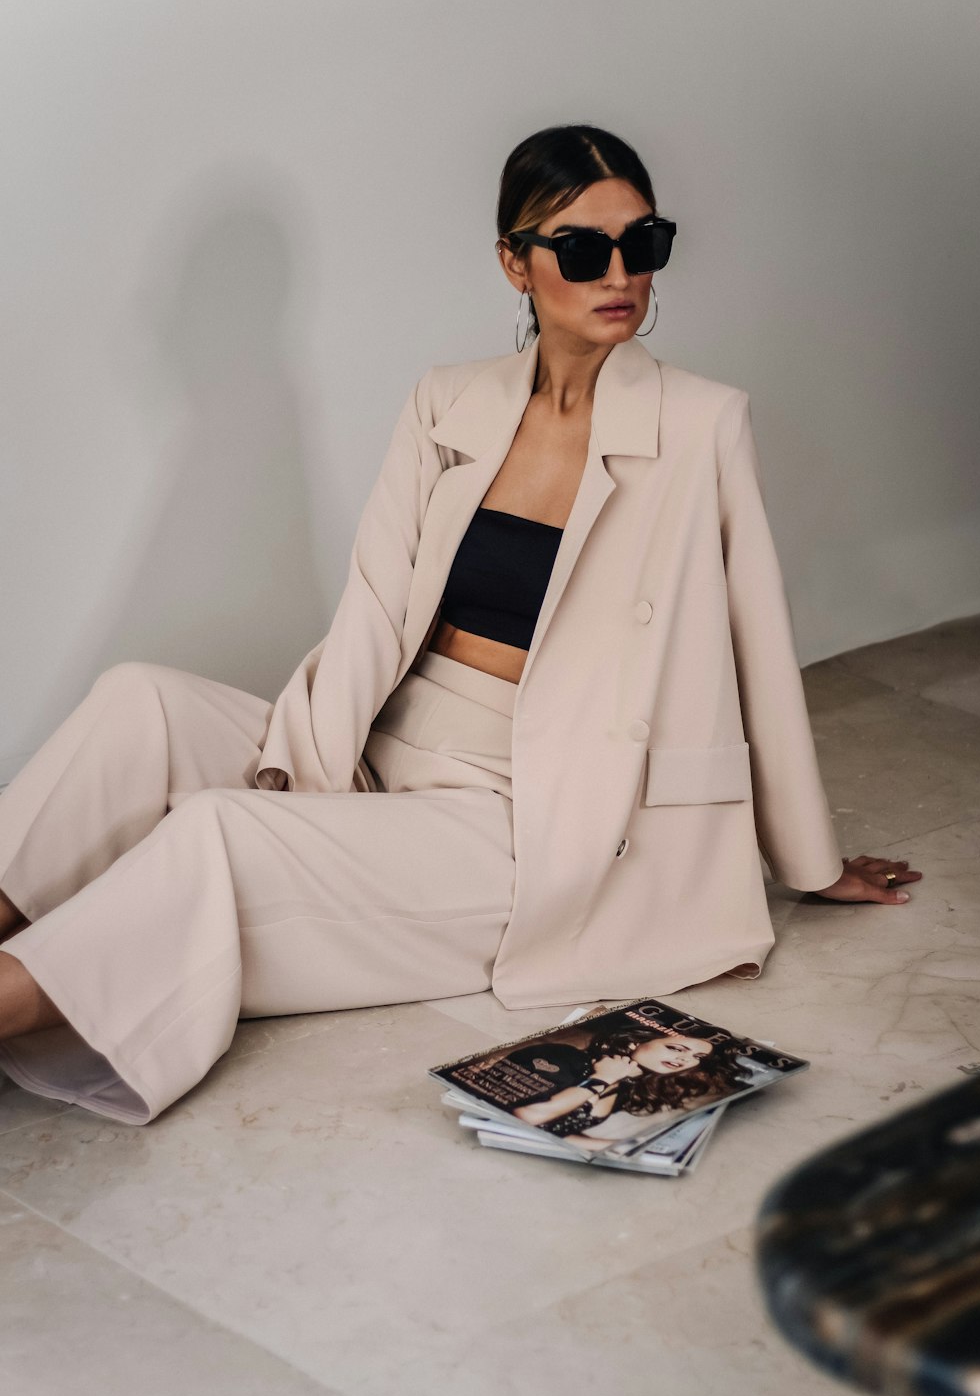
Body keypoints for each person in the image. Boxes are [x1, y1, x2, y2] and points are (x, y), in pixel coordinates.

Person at [0, 123, 922, 1126]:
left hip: (533, 813)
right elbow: (373, 608)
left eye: (641, 243)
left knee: (224, 834)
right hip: (392, 745)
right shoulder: (448, 403)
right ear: (514, 264)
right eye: (579, 248)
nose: (617, 273)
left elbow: (757, 648)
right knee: (140, 700)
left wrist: (810, 863)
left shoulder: (702, 424)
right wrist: (309, 786)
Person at [508, 1020, 753, 1143]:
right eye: (676, 1047)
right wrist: (603, 1078)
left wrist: (621, 1148)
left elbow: (557, 1130)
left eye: (697, 1057)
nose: (685, 1059)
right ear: (635, 1042)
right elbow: (529, 1117)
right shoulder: (562, 1057)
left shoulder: (628, 1086)